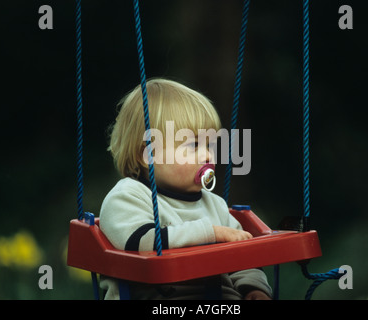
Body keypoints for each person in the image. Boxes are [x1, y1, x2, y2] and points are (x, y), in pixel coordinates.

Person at [99, 78, 272, 300]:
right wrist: (212, 234)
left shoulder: (216, 205)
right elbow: (140, 243)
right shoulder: (128, 197)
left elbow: (244, 259)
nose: (208, 155)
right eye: (194, 145)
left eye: (210, 144)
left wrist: (253, 288)